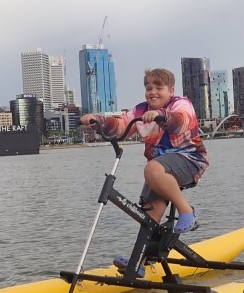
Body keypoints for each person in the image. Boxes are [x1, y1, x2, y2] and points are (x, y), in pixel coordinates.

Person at [80, 67, 209, 233]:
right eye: (149, 89)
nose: (153, 92)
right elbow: (121, 124)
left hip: (190, 160)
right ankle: (149, 251)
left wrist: (161, 115)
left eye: (159, 88)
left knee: (152, 169)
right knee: (148, 218)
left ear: (171, 91)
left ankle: (186, 211)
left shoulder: (181, 104)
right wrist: (97, 121)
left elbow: (180, 121)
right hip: (159, 169)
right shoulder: (141, 111)